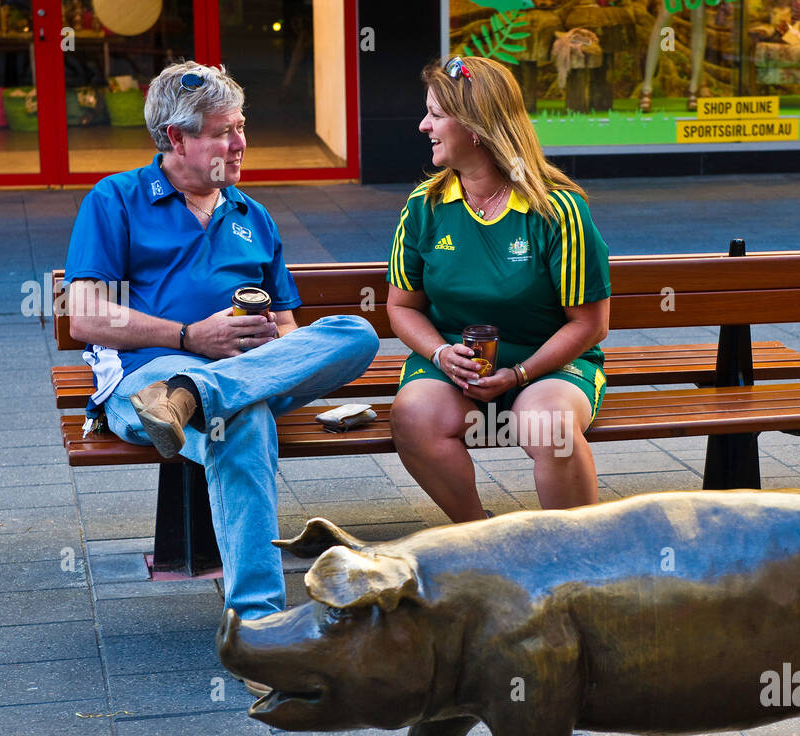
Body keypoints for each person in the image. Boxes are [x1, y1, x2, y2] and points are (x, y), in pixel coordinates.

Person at [64, 61, 378, 626]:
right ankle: (258, 625)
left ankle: (195, 393)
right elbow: (84, 316)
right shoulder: (116, 200)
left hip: (239, 373)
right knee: (242, 417)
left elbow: (287, 329)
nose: (241, 143)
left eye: (241, 126)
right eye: (224, 132)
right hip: (145, 384)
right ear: (177, 138)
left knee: (353, 333)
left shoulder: (250, 214)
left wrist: (273, 346)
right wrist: (190, 336)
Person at [386, 55, 612, 524]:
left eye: (436, 114)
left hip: (548, 367)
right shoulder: (424, 206)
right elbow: (401, 306)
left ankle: (586, 555)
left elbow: (590, 323)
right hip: (453, 367)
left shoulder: (556, 209)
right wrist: (440, 355)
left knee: (550, 426)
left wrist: (519, 374)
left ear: (475, 126)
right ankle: (479, 538)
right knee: (413, 416)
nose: (423, 125)